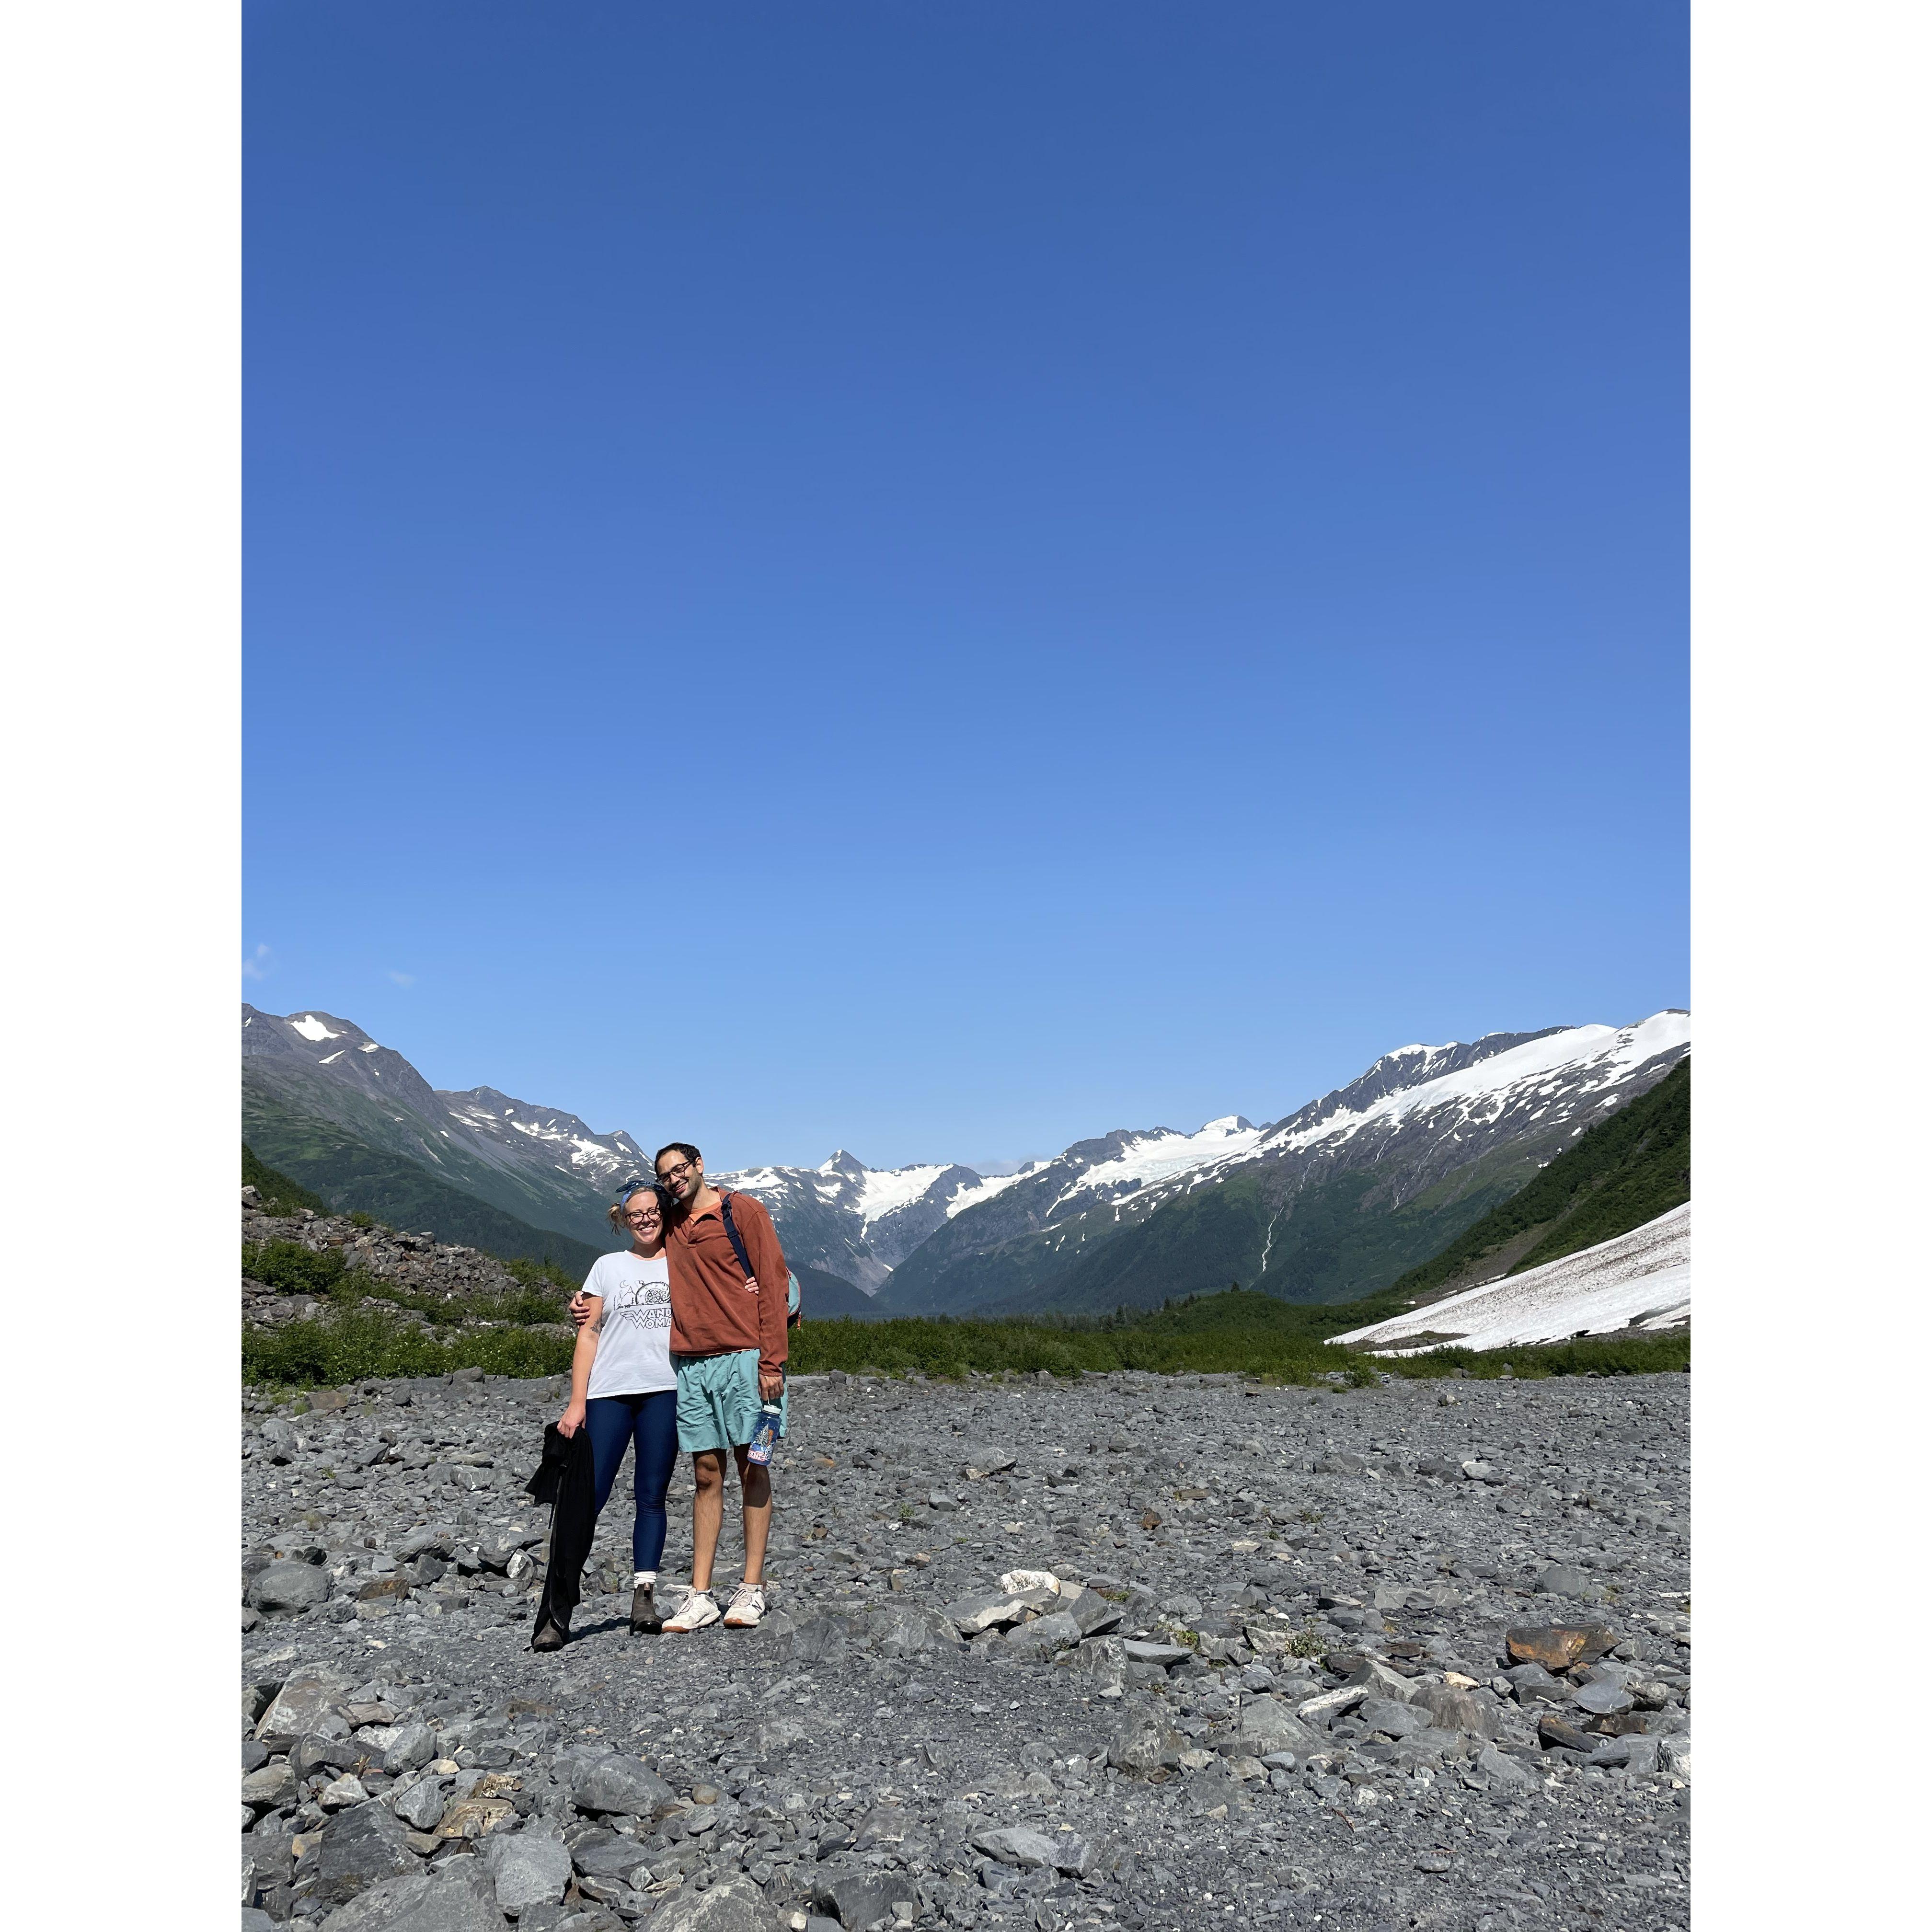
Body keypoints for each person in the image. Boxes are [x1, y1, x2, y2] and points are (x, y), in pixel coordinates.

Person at [572, 1140, 791, 1632]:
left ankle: (751, 1588)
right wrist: (588, 1302)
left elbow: (775, 1282)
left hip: (747, 1361)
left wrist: (773, 1361)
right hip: (691, 1367)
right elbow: (635, 1261)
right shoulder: (669, 1222)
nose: (673, 1179)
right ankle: (701, 1594)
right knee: (706, 1475)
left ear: (699, 1166)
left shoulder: (743, 1211)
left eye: (680, 1169)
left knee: (753, 1466)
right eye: (665, 1174)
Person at [540, 1179, 679, 1649]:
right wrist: (577, 1402)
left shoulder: (686, 1261)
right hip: (609, 1395)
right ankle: (557, 1610)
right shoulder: (606, 1268)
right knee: (585, 1498)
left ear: (665, 1212)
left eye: (652, 1210)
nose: (644, 1218)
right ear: (623, 1218)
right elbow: (589, 1334)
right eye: (635, 1212)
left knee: (652, 1496)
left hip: (665, 1391)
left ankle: (644, 1597)